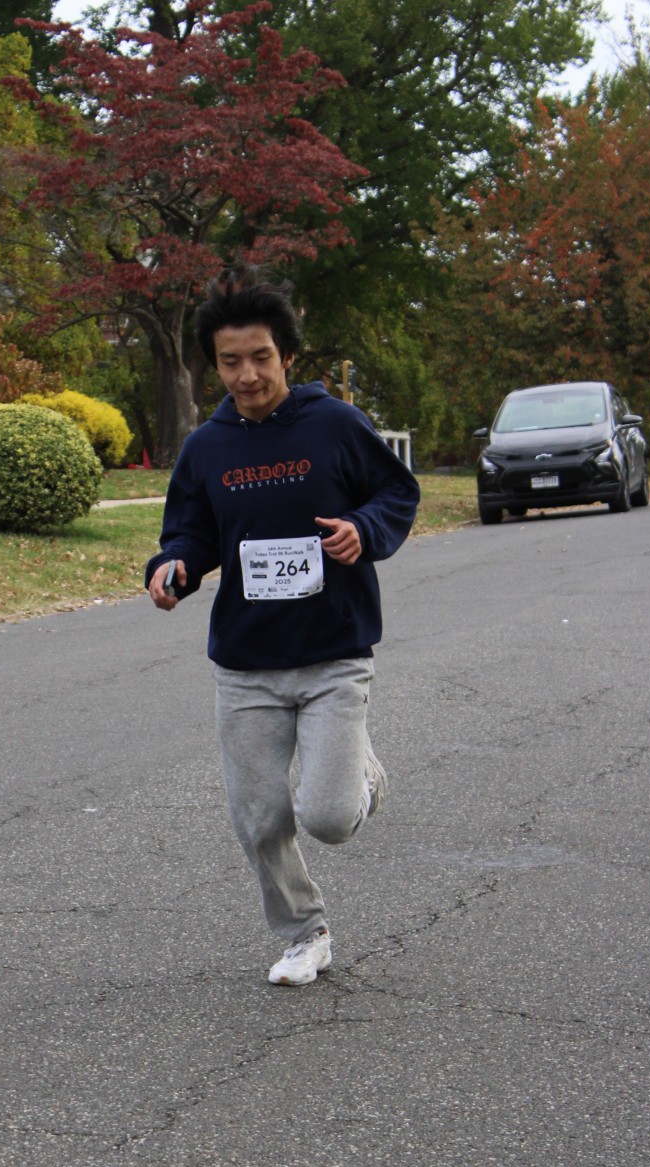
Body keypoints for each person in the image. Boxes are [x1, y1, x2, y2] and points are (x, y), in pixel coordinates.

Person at [145, 270, 421, 986]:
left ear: (287, 356)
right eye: (230, 361)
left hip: (333, 652)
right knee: (260, 818)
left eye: (261, 357)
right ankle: (305, 933)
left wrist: (363, 529)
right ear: (215, 366)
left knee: (328, 818)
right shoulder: (207, 447)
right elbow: (190, 534)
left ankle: (362, 773)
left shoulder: (335, 425)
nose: (247, 374)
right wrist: (173, 568)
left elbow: (396, 492)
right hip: (246, 664)